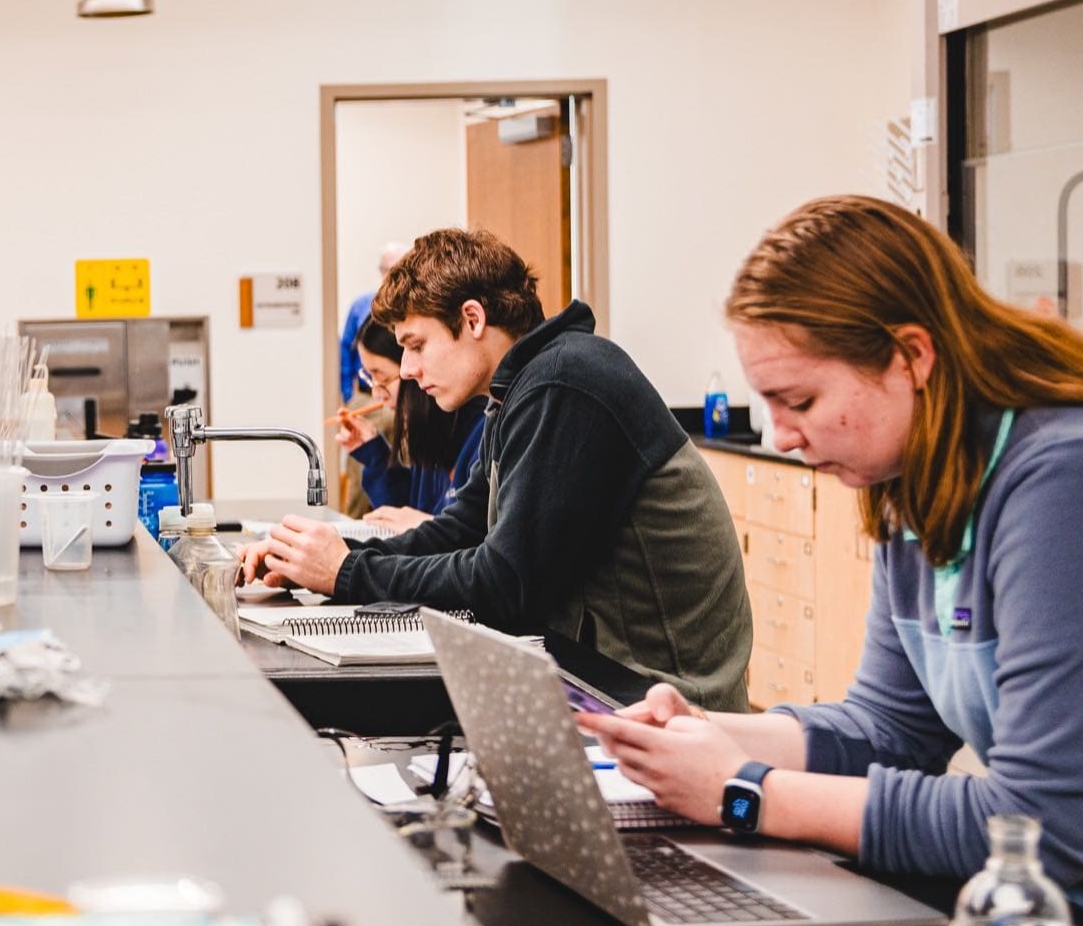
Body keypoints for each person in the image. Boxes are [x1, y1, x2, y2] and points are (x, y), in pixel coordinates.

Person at [579, 195, 1083, 920]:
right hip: (1071, 918)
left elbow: (1042, 828)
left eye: (799, 400)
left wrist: (745, 793)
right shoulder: (921, 474)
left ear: (911, 357)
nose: (781, 436)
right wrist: (707, 736)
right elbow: (893, 731)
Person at [245, 226, 751, 711]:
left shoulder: (565, 382)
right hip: (603, 677)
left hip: (663, 699)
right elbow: (459, 533)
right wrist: (323, 562)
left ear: (472, 319)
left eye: (417, 345)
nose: (407, 369)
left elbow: (505, 584)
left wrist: (347, 572)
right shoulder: (519, 392)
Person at [339, 312, 486, 534]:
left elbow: (475, 545)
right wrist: (374, 454)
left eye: (381, 376)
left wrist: (429, 528)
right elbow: (409, 511)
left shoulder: (482, 429)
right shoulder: (431, 431)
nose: (377, 394)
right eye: (370, 378)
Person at [337, 239, 411, 404]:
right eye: (385, 270)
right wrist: (349, 394)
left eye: (396, 270)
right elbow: (346, 349)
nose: (390, 276)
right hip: (366, 395)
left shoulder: (413, 310)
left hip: (402, 395)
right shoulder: (361, 306)